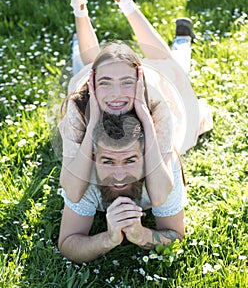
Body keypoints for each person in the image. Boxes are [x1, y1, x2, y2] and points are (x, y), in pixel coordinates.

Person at [52, 0, 213, 205]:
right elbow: (72, 192)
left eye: (127, 83)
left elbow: (160, 196)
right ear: (93, 85)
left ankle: (81, 7)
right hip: (99, 89)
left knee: (169, 71)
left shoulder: (155, 100)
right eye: (104, 83)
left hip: (142, 93)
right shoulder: (79, 104)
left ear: (140, 80)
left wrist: (145, 117)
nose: (117, 94)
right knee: (173, 69)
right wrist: (93, 120)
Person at [58, 113, 185, 263]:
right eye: (108, 162)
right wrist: (108, 239)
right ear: (93, 158)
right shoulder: (84, 177)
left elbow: (177, 235)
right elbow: (67, 244)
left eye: (130, 160)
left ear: (146, 156)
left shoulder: (163, 173)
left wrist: (142, 235)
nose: (119, 176)